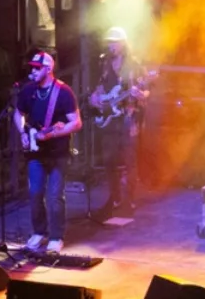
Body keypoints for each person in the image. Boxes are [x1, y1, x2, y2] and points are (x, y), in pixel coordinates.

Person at [16, 49, 81, 254]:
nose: (32, 72)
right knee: (35, 193)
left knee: (55, 195)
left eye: (36, 68)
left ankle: (56, 236)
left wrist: (54, 134)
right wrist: (23, 133)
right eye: (31, 68)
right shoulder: (28, 90)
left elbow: (76, 122)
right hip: (36, 152)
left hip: (58, 152)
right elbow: (18, 113)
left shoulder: (63, 92)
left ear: (48, 68)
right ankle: (39, 232)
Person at [88, 27, 150, 218]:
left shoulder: (134, 65)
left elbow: (146, 90)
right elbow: (99, 86)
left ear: (123, 43)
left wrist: (140, 94)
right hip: (110, 120)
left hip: (128, 119)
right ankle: (115, 198)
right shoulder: (105, 63)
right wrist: (95, 98)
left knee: (129, 160)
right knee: (109, 161)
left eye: (114, 42)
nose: (111, 45)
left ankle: (129, 200)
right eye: (109, 41)